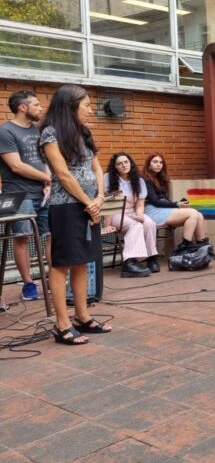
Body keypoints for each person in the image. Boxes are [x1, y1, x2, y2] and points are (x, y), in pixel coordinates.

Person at [39, 85, 111, 345]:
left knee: (83, 260)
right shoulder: (50, 133)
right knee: (62, 263)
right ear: (70, 106)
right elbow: (63, 174)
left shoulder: (83, 132)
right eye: (87, 105)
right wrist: (87, 202)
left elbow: (97, 166)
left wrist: (100, 198)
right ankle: (61, 324)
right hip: (66, 207)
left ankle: (82, 315)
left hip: (89, 205)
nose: (91, 110)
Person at [0, 90, 51, 301]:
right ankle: (28, 285)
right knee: (22, 238)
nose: (40, 108)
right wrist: (47, 179)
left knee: (50, 235)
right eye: (36, 104)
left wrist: (48, 180)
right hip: (17, 194)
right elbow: (16, 166)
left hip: (43, 192)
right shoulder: (5, 131)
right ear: (23, 107)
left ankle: (53, 278)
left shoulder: (38, 130)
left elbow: (45, 158)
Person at [105, 153, 158, 276]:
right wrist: (106, 224)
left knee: (149, 223)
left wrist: (140, 215)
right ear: (115, 167)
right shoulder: (108, 178)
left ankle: (152, 258)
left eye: (126, 162)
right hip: (115, 213)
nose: (123, 165)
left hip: (132, 211)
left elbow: (140, 204)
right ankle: (129, 263)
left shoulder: (139, 181)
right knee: (135, 226)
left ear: (131, 163)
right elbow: (107, 204)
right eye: (119, 163)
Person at [142, 152, 208, 251]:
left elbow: (163, 199)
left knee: (199, 215)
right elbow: (155, 201)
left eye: (160, 162)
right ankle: (185, 246)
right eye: (155, 162)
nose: (158, 164)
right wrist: (176, 204)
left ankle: (202, 247)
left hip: (162, 209)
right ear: (149, 165)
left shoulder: (159, 178)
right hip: (152, 211)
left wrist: (177, 205)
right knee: (192, 213)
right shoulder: (145, 179)